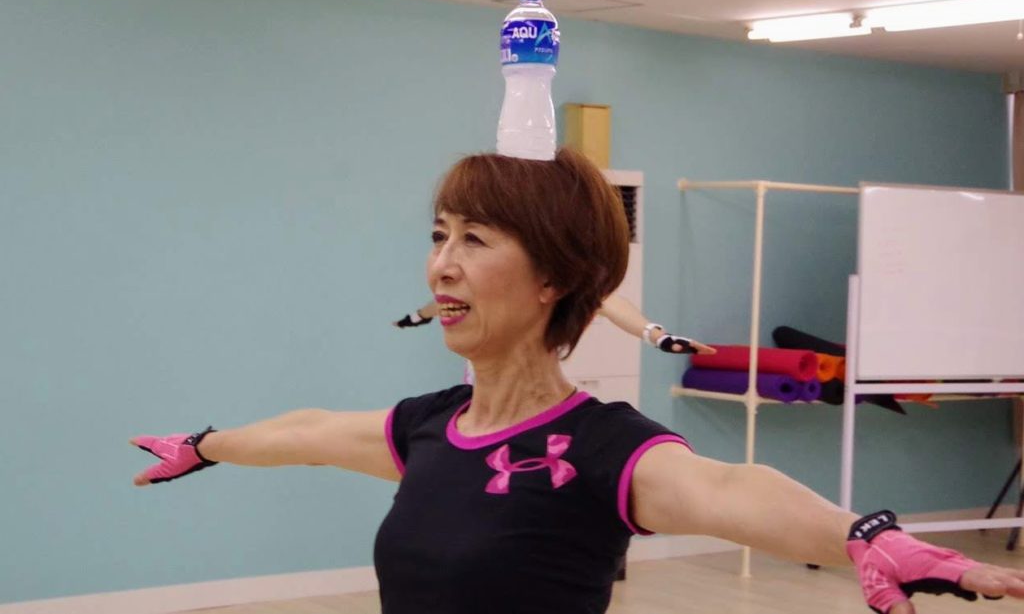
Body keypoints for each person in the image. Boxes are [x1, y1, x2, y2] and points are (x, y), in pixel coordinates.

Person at [131, 148, 1024, 614]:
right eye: (438, 235)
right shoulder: (431, 427)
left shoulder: (599, 446)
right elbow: (308, 431)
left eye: (474, 239)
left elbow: (727, 487)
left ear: (553, 278)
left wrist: (864, 535)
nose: (441, 264)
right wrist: (205, 445)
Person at [394, 291, 716, 355]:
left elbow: (608, 302)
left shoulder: (555, 295)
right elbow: (444, 303)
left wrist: (659, 337)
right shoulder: (486, 290)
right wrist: (415, 318)